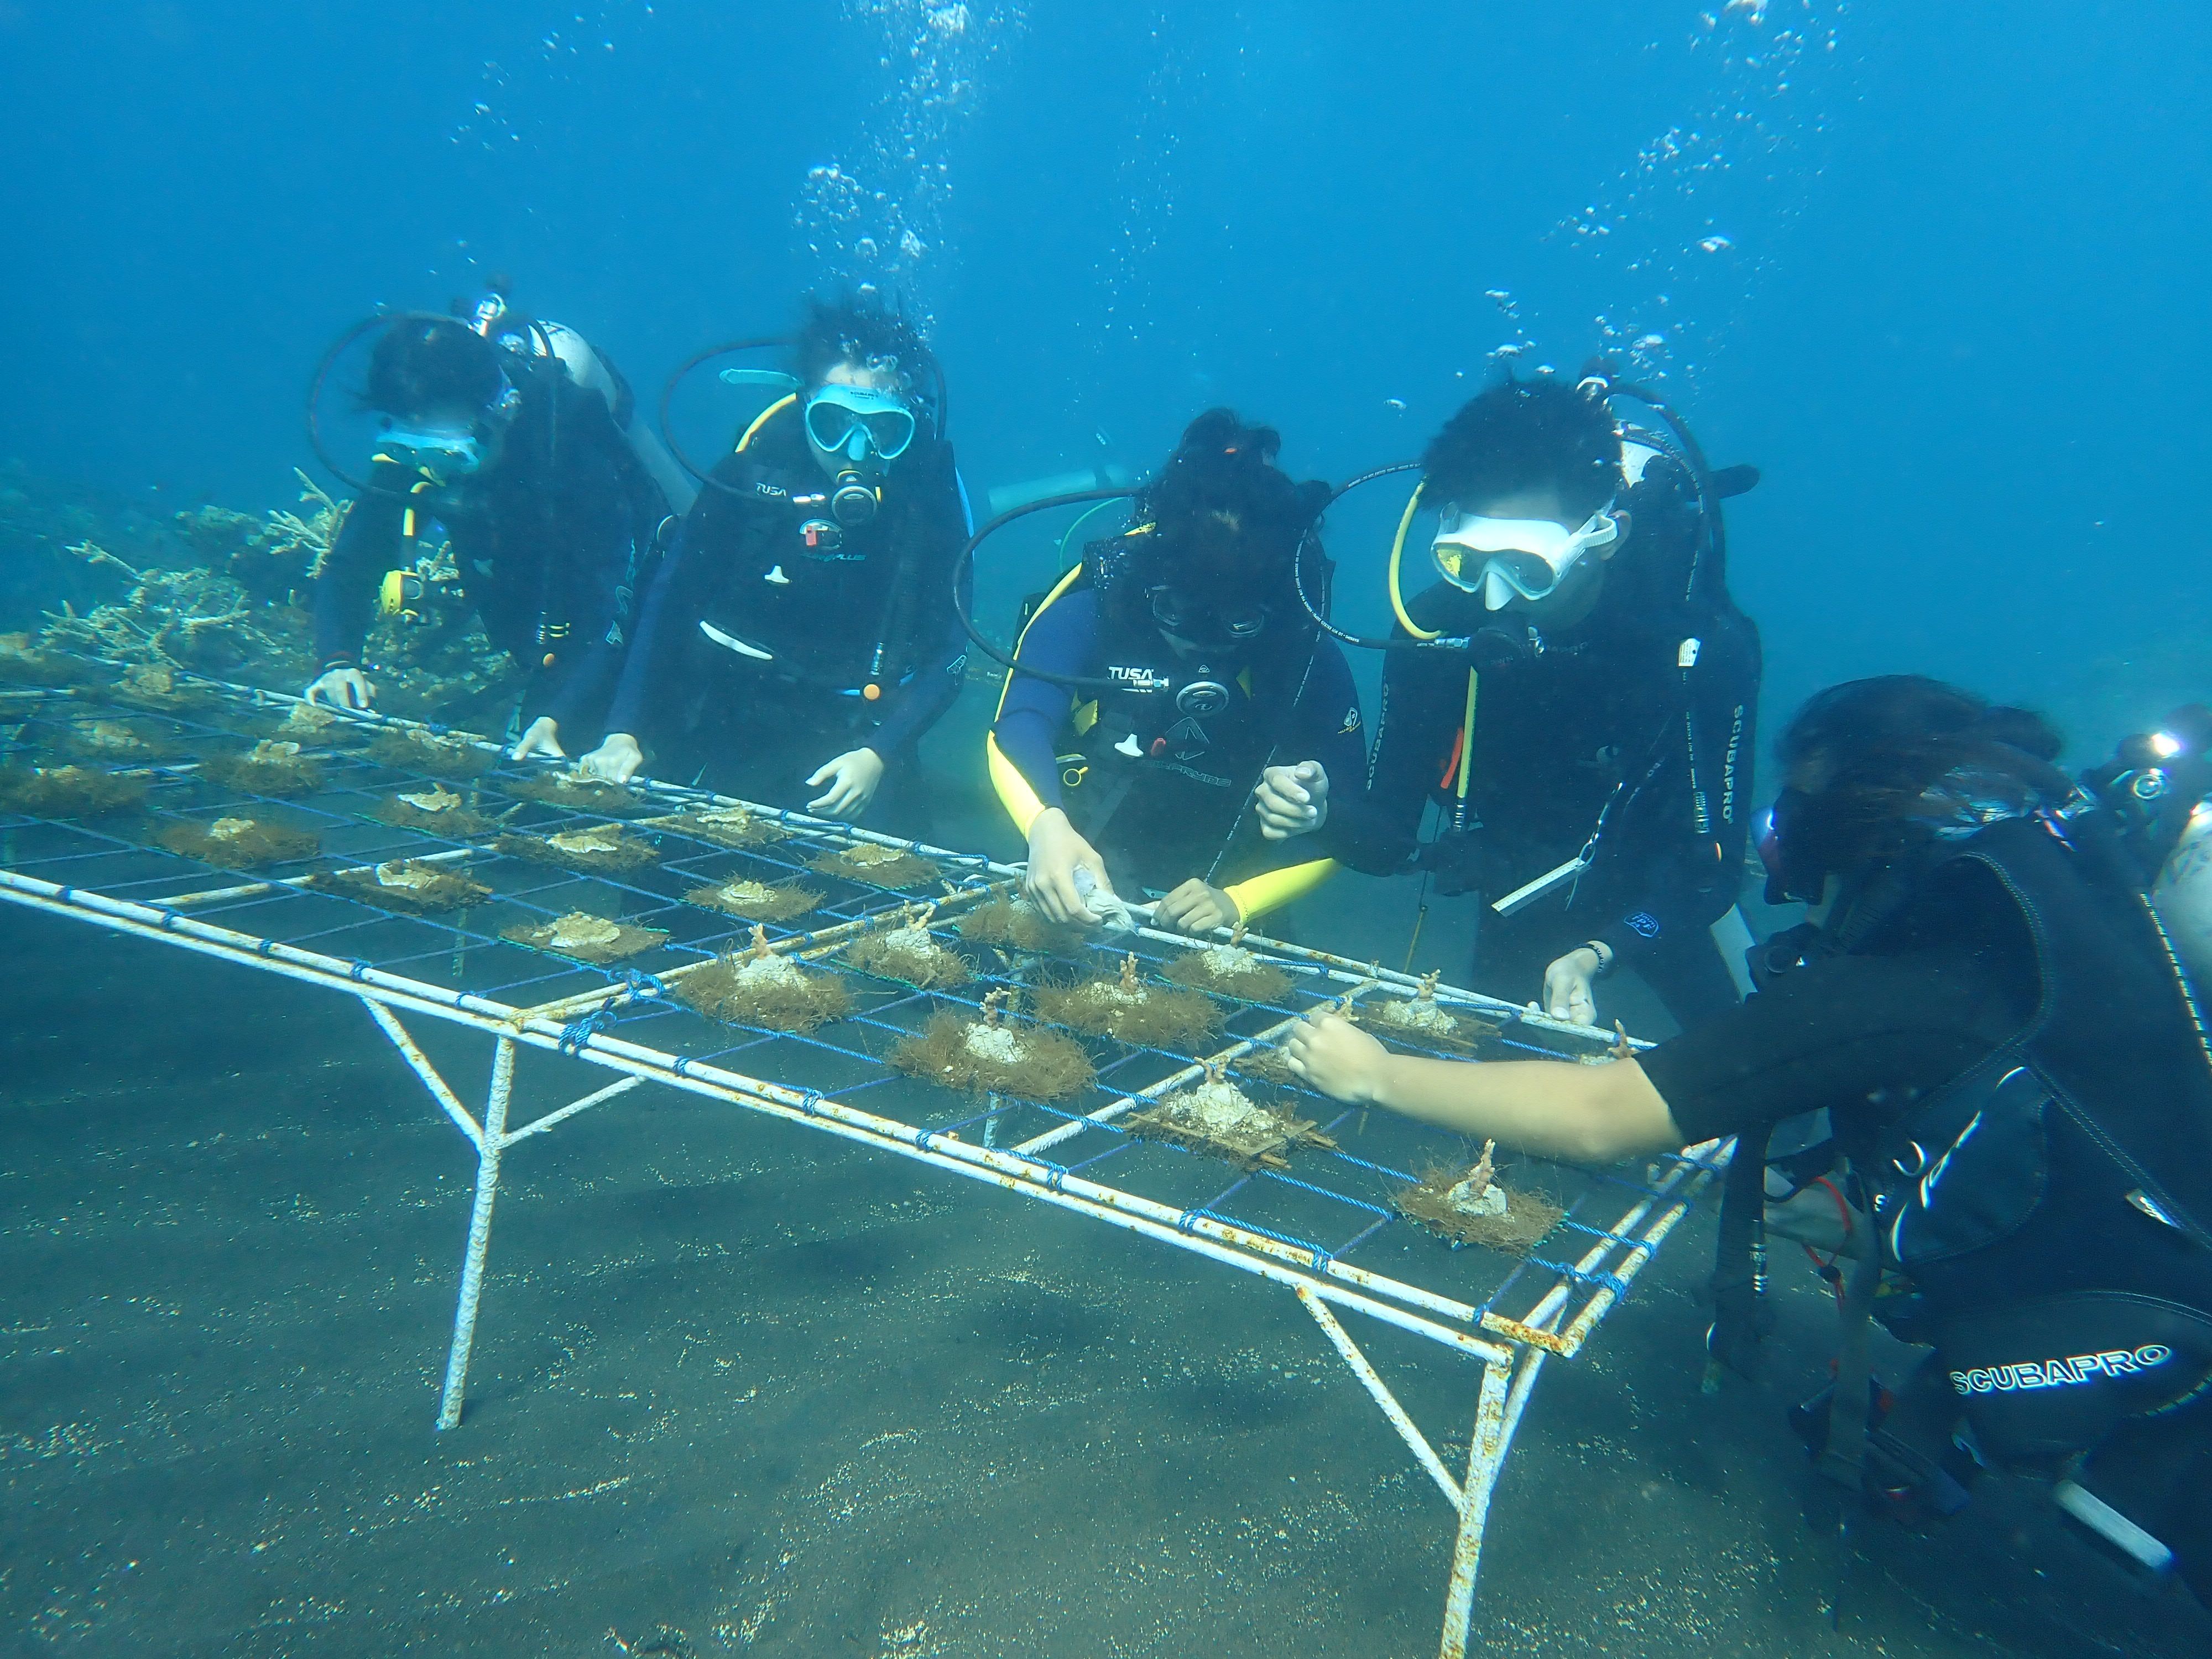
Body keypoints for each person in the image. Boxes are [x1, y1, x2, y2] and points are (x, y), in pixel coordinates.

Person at [1285, 676, 2212, 1603]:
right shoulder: (2063, 905)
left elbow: (1601, 1116)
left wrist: (1377, 1073)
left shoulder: (1922, 977)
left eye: (1789, 814)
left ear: (1839, 812)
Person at [1288, 370, 1760, 1029]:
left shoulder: (1695, 644)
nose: (1494, 598)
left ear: (1608, 534)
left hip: (1660, 889)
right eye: (1466, 562)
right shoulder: (1434, 629)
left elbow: (1710, 873)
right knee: (1498, 1057)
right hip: (1516, 886)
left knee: (1741, 1061)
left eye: (1528, 567)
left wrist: (1602, 951)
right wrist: (1320, 814)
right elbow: (1386, 836)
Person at [579, 294, 969, 831]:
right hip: (727, 711)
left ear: (909, 425)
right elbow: (672, 596)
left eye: (883, 429)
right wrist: (624, 728)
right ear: (805, 406)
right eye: (834, 423)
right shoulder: (753, 472)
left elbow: (951, 647)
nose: (856, 451)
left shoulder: (926, 493)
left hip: (860, 732)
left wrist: (880, 752)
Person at [989, 409, 1363, 936]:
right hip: (1074, 863)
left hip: (1228, 893)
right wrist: (1045, 824)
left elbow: (1349, 818)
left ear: (1274, 608)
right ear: (1148, 585)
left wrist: (1238, 902)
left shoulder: (1302, 655)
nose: (1201, 641)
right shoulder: (1098, 609)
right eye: (1179, 611)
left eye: (1238, 620)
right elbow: (1018, 724)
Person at [305, 284, 691, 757]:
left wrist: (557, 715)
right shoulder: (415, 454)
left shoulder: (570, 448)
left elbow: (609, 599)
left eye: (450, 453)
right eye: (412, 449)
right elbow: (353, 561)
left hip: (610, 564)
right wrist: (338, 661)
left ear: (501, 414)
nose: (435, 470)